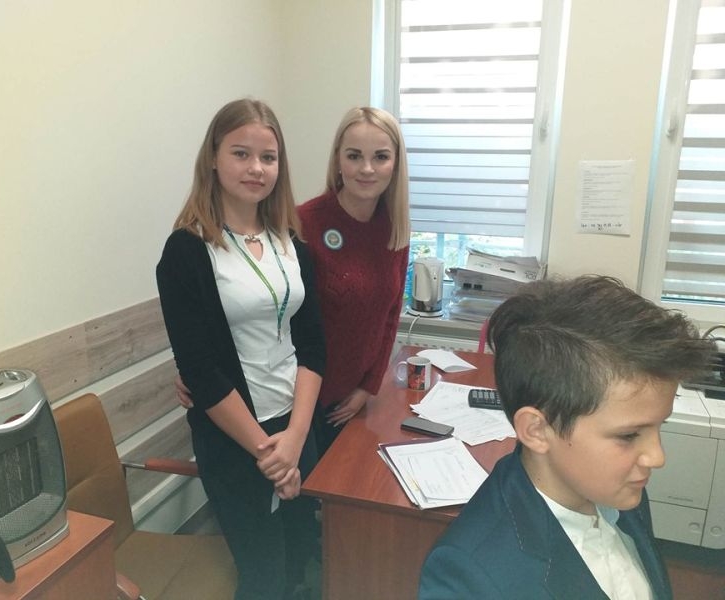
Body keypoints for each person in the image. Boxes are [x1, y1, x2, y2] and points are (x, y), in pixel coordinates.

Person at [419, 275, 714, 600]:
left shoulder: (618, 488)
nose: (657, 457)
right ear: (537, 430)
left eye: (659, 426)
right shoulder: (469, 576)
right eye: (630, 435)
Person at [156, 98, 324, 600]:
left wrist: (295, 438)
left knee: (301, 551)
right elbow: (201, 372)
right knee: (262, 572)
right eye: (241, 153)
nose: (256, 168)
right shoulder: (186, 251)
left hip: (296, 424)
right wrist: (270, 455)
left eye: (268, 157)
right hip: (237, 440)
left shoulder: (290, 241)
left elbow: (312, 345)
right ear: (213, 158)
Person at [297, 106, 410, 454]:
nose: (367, 168)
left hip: (352, 400)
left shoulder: (395, 228)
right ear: (338, 160)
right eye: (354, 156)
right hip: (299, 400)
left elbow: (390, 315)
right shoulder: (304, 222)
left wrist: (368, 387)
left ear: (395, 164)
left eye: (380, 157)